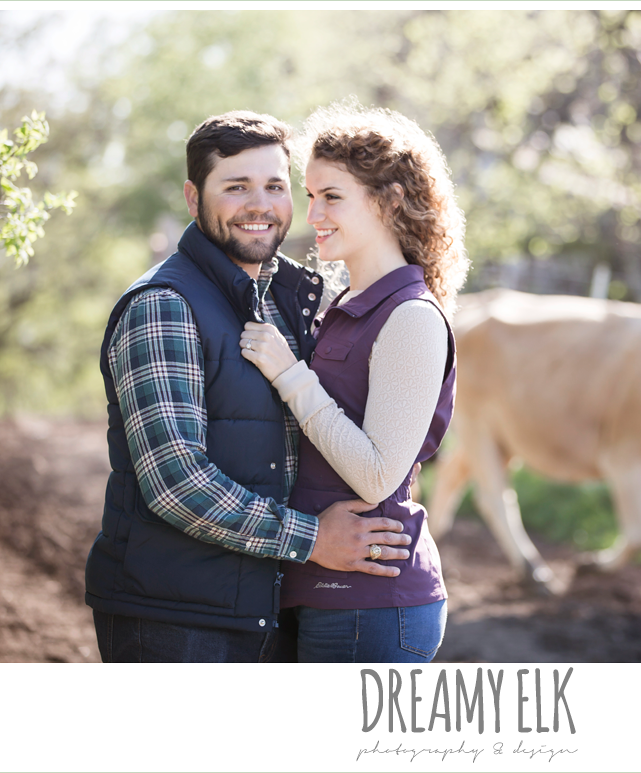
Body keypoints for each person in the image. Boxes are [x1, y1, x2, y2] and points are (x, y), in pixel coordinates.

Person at [85, 110, 412, 663]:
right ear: (193, 198)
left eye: (275, 187)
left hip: (268, 605)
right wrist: (313, 539)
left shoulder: (290, 300)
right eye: (236, 187)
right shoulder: (164, 306)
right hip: (174, 616)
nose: (260, 205)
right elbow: (175, 482)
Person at [240, 100, 469, 662]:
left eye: (332, 196)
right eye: (310, 195)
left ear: (390, 201)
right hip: (318, 589)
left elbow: (375, 475)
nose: (313, 214)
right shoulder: (344, 305)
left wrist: (290, 375)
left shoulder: (411, 317)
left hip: (373, 605)